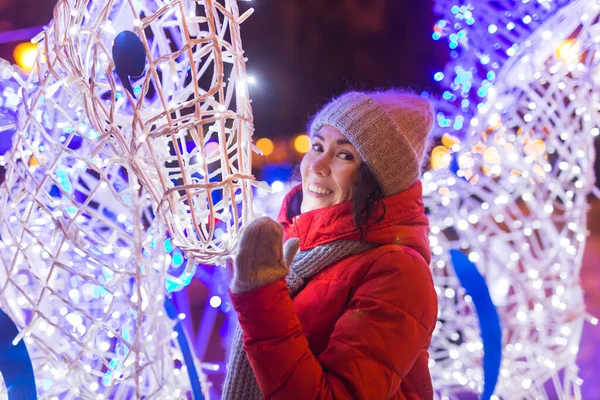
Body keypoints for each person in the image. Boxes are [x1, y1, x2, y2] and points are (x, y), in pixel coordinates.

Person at [222, 89, 439, 400]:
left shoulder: (398, 271)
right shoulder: (294, 242)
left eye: (344, 155)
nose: (317, 166)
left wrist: (261, 298)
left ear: (377, 181)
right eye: (318, 146)